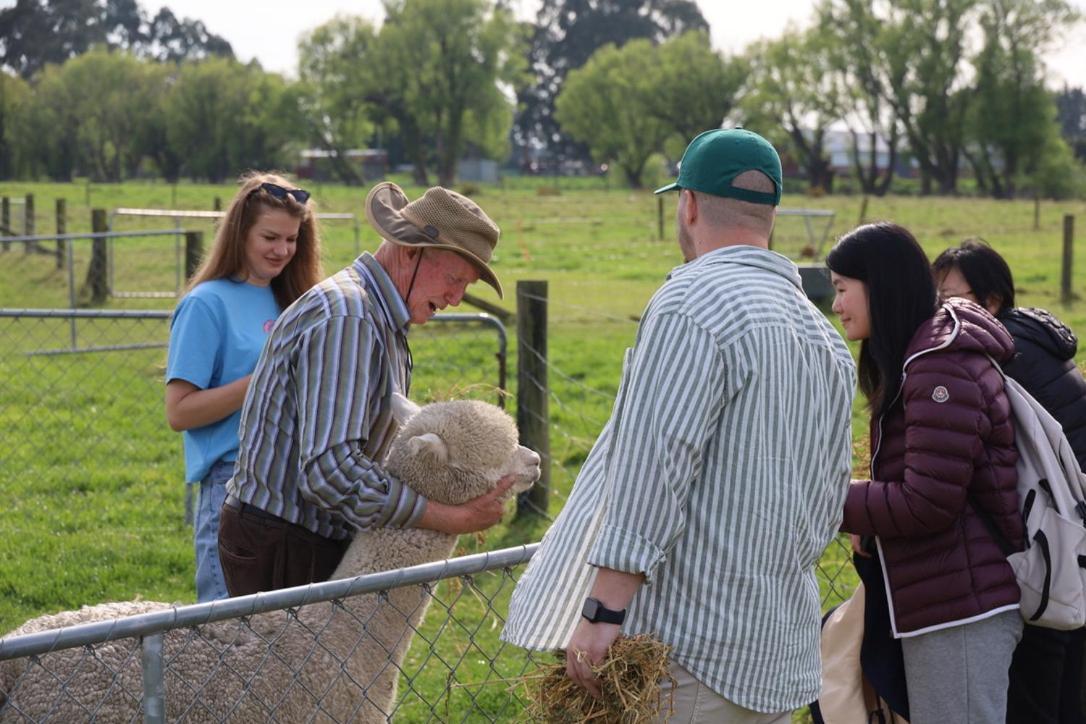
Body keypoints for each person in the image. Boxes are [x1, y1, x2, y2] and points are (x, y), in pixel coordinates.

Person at [502, 128, 857, 722]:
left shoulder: (691, 303)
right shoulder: (823, 336)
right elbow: (828, 498)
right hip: (774, 647)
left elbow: (653, 470)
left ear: (687, 204)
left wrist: (601, 615)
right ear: (769, 214)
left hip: (684, 654)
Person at [217, 182, 516, 596]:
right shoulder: (349, 318)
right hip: (287, 543)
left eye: (464, 287)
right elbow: (330, 472)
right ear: (411, 251)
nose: (456, 298)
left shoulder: (377, 317)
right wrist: (448, 518)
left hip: (303, 536)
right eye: (453, 278)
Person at [829, 223, 1024, 724]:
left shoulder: (937, 366)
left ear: (879, 285)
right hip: (944, 596)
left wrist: (831, 499)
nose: (836, 306)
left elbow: (929, 502)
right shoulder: (921, 357)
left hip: (960, 607)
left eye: (841, 289)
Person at [934, 238, 1086, 724]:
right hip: (1072, 535)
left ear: (992, 301)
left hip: (1046, 542)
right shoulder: (1036, 340)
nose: (938, 310)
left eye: (949, 297)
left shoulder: (1001, 356)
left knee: (1036, 689)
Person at [165, 172, 322, 602]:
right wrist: (261, 382)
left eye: (292, 239)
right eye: (270, 237)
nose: (282, 250)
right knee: (230, 636)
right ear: (240, 233)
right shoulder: (205, 304)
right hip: (233, 486)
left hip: (296, 487)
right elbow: (179, 412)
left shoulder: (294, 300)